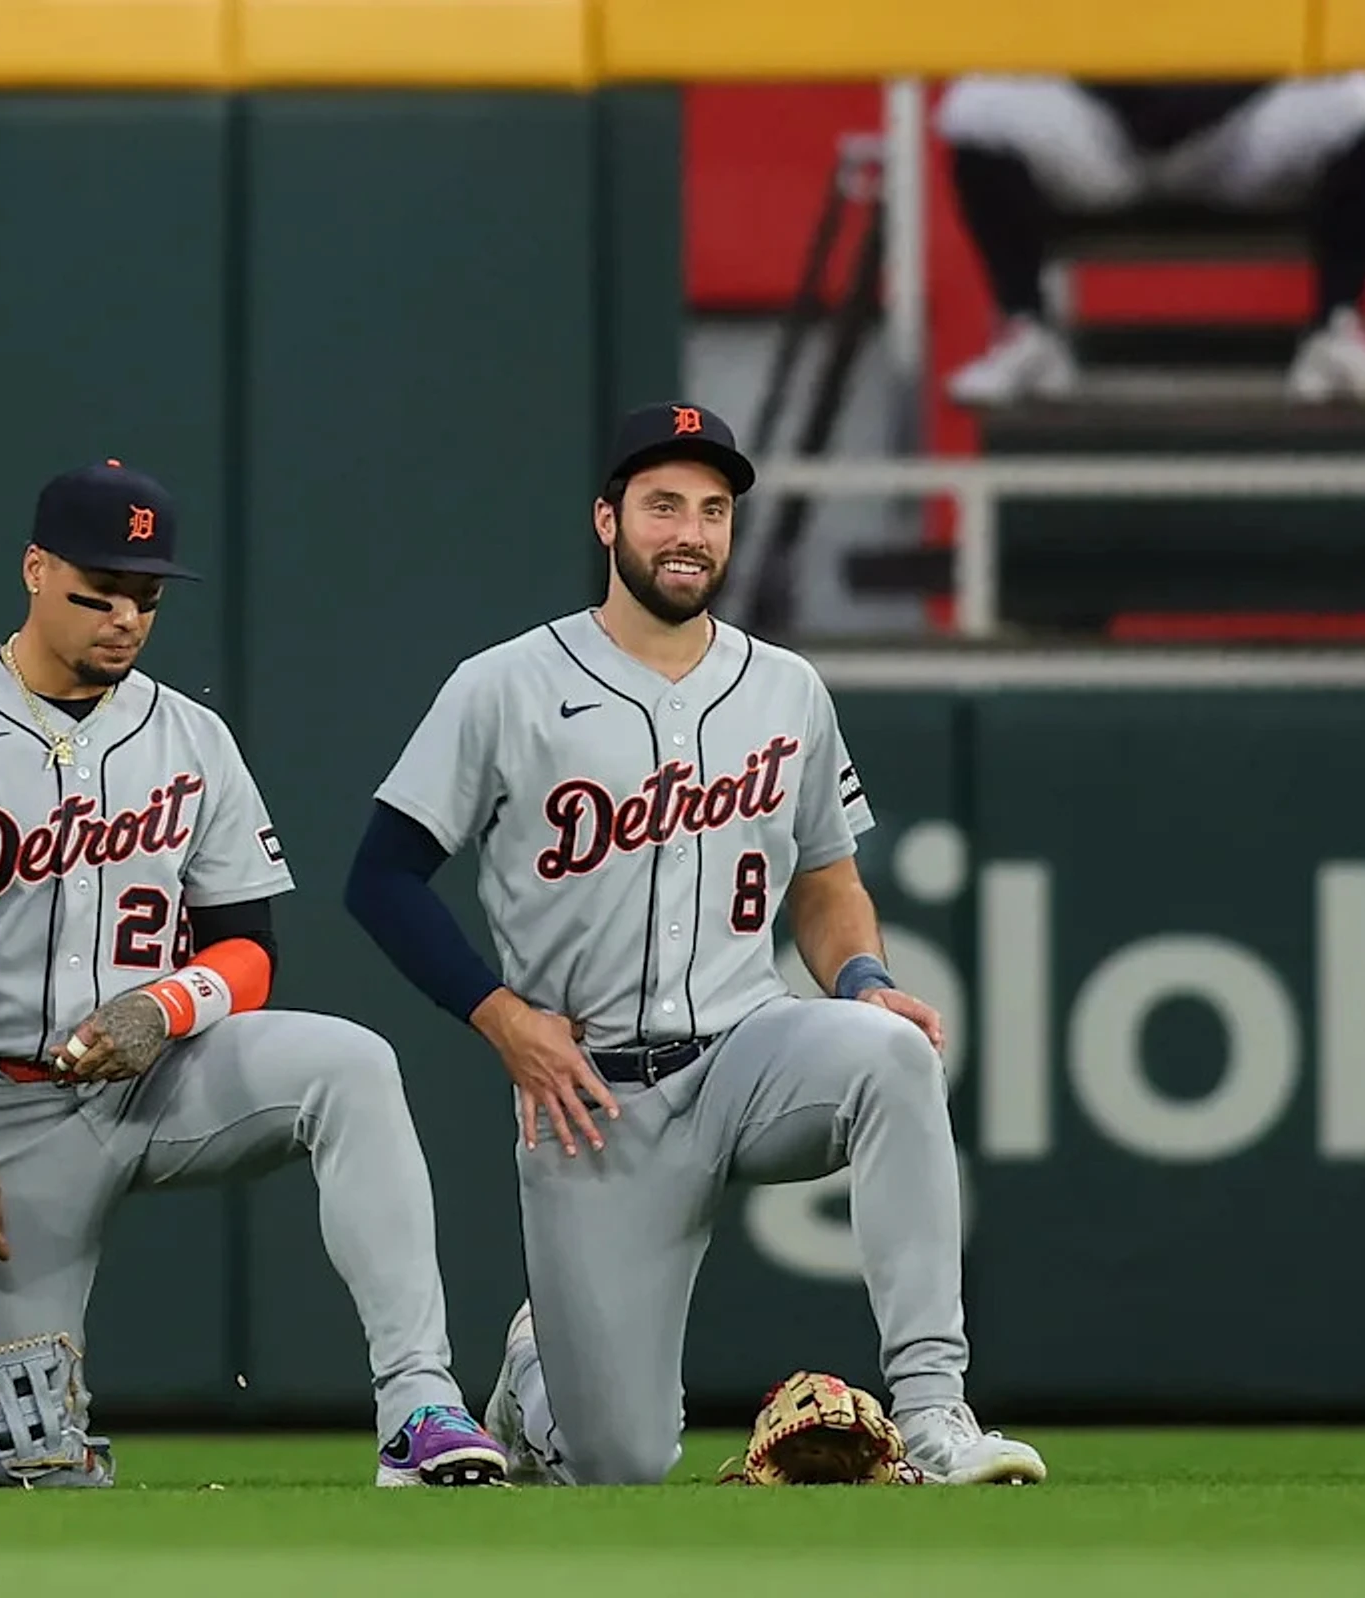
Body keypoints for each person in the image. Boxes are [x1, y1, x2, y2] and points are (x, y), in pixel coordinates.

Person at [343, 404, 1047, 1487]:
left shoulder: (786, 687)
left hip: (746, 1051)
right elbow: (381, 877)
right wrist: (504, 1019)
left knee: (892, 1054)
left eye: (713, 510)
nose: (690, 532)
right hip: (591, 1097)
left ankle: (932, 1413)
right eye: (663, 505)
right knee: (620, 1461)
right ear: (607, 520)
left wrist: (864, 977)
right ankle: (537, 1380)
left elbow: (826, 880)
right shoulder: (506, 685)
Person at [0, 460, 507, 1490]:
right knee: (25, 1467)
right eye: (99, 592)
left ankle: (419, 1403)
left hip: (162, 1077)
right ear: (34, 569)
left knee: (350, 1063)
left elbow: (249, 947)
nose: (125, 618)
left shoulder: (191, 735)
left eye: (146, 598)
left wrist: (165, 1004)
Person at [937, 75, 1365, 404]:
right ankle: (1027, 331)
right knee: (976, 107)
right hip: (1105, 134)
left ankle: (1336, 328)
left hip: (1237, 133)